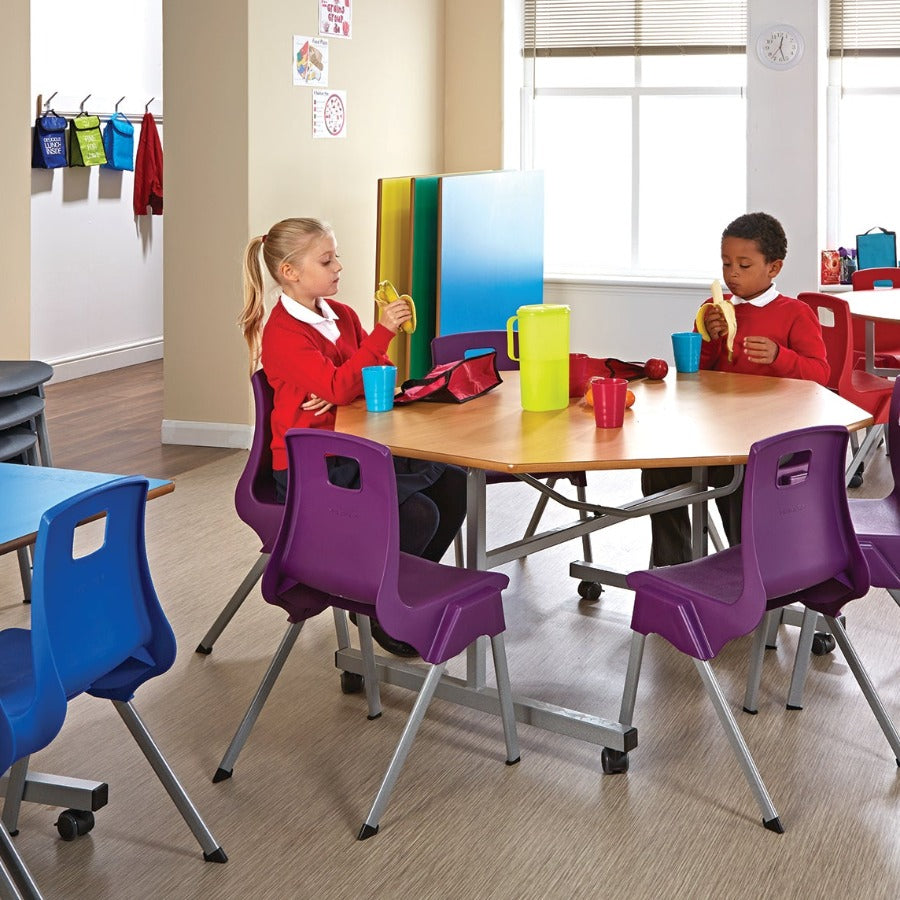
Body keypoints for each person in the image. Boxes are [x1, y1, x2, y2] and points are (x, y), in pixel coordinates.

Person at [240, 217, 467, 656]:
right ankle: (382, 609)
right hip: (311, 469)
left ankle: (405, 597)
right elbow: (348, 382)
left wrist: (340, 389)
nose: (339, 266)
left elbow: (372, 376)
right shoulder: (284, 334)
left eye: (336, 256)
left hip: (353, 449)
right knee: (418, 513)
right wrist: (350, 377)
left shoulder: (341, 315)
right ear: (291, 272)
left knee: (453, 480)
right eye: (327, 260)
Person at [641, 211, 830, 567]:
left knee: (739, 480)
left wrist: (780, 356)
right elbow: (694, 374)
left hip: (766, 443)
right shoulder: (712, 309)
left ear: (774, 268)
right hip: (715, 436)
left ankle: (746, 571)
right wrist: (708, 339)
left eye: (744, 265)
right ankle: (675, 570)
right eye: (727, 263)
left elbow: (820, 374)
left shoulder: (796, 314)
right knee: (659, 470)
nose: (732, 274)